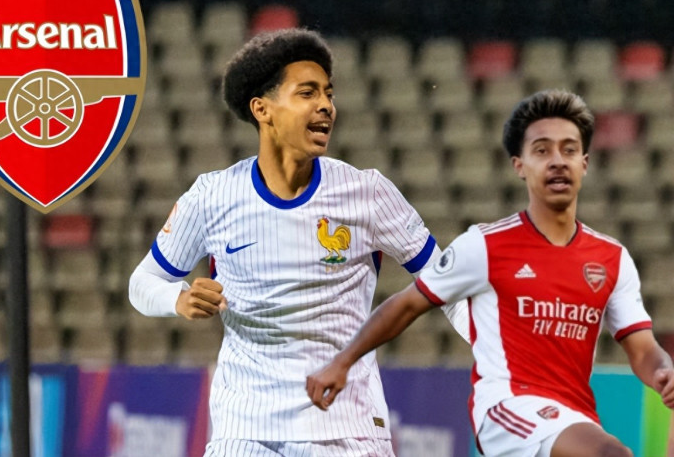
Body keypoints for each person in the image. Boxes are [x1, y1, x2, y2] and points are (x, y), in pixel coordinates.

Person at [129, 28, 468, 456]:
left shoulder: (368, 193)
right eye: (307, 93)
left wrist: (505, 355)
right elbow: (142, 283)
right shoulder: (212, 196)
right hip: (245, 432)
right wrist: (178, 299)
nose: (326, 105)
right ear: (262, 109)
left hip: (348, 433)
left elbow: (447, 286)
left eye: (328, 93)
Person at [306, 89, 674, 456]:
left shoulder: (611, 258)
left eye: (569, 150)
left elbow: (642, 348)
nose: (558, 161)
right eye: (542, 150)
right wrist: (342, 362)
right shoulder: (485, 246)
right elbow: (407, 304)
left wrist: (663, 372)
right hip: (506, 409)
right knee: (611, 455)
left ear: (585, 163)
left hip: (573, 415)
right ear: (519, 165)